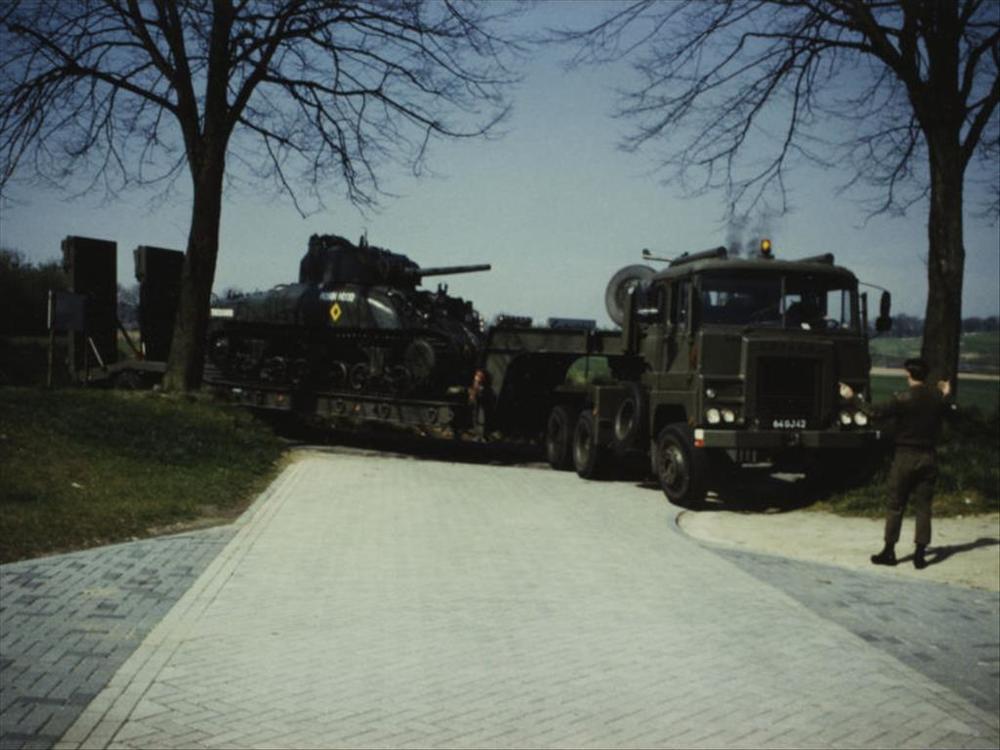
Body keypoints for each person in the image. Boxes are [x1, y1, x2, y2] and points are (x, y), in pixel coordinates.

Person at [839, 358, 954, 570]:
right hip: (929, 456)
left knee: (895, 504)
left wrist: (852, 397)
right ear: (926, 375)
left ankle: (889, 551)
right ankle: (920, 555)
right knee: (923, 507)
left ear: (908, 374)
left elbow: (874, 412)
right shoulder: (936, 398)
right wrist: (946, 393)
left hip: (905, 456)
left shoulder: (902, 398)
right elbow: (948, 408)